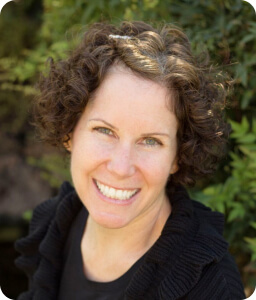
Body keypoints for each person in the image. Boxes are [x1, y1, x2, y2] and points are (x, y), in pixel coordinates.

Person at [15, 21, 246, 299]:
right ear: (69, 132)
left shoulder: (212, 286)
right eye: (104, 130)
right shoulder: (51, 226)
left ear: (177, 155)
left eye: (151, 141)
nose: (121, 167)